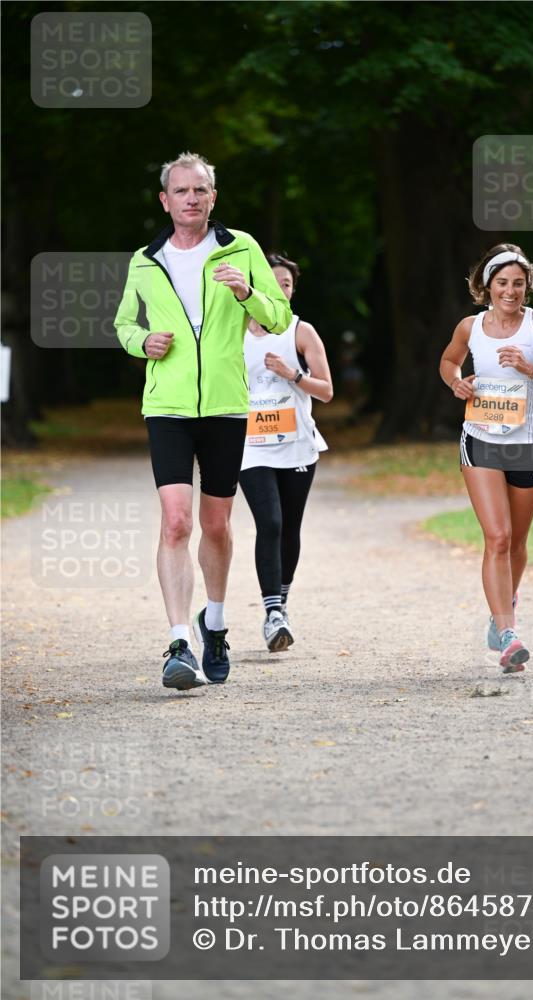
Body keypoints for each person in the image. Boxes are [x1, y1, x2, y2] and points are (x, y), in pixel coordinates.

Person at [115, 152, 292, 690]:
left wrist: (247, 292)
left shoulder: (241, 248)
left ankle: (213, 622)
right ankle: (178, 643)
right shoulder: (145, 260)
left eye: (200, 190)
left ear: (213, 198)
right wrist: (142, 341)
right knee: (176, 522)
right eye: (181, 190)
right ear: (164, 200)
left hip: (224, 405)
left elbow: (278, 316)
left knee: (216, 524)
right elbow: (124, 324)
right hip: (166, 406)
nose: (191, 198)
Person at [439, 244, 533, 673]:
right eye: (502, 282)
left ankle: (502, 611)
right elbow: (448, 361)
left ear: (527, 285)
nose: (510, 291)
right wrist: (456, 382)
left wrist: (531, 370)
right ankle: (508, 633)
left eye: (518, 283)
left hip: (528, 442)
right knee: (497, 537)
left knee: (516, 542)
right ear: (487, 285)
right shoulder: (470, 327)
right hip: (480, 439)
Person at [239, 253, 333, 651]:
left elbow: (326, 391)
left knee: (290, 527)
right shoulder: (233, 331)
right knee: (271, 523)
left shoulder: (301, 332)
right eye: (273, 282)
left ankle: (282, 603)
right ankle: (273, 612)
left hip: (296, 446)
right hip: (250, 446)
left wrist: (292, 374)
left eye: (287, 285)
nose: (280, 289)